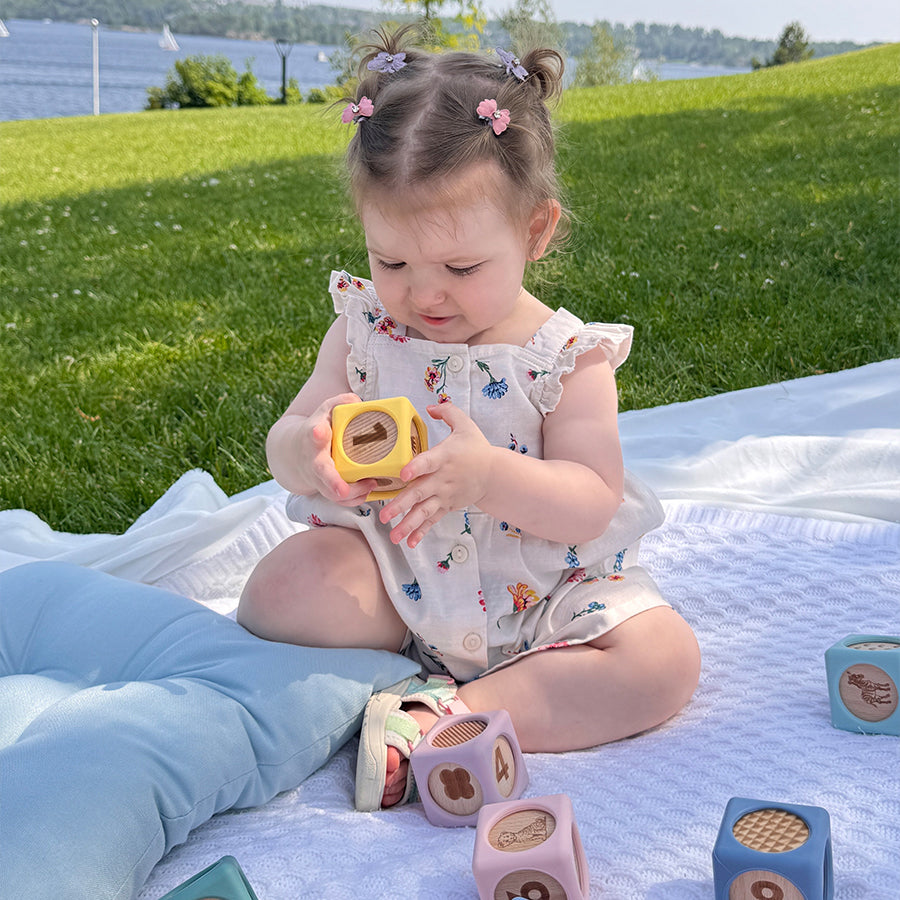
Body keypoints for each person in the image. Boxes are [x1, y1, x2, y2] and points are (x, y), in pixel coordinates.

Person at [237, 26, 700, 810]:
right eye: (393, 262)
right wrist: (305, 451)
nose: (424, 297)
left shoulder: (568, 359)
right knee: (278, 591)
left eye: (461, 268)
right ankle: (400, 674)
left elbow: (590, 496)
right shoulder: (364, 331)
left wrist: (488, 477)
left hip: (541, 601)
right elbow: (289, 433)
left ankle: (449, 714)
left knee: (665, 660)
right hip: (400, 582)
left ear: (535, 232)